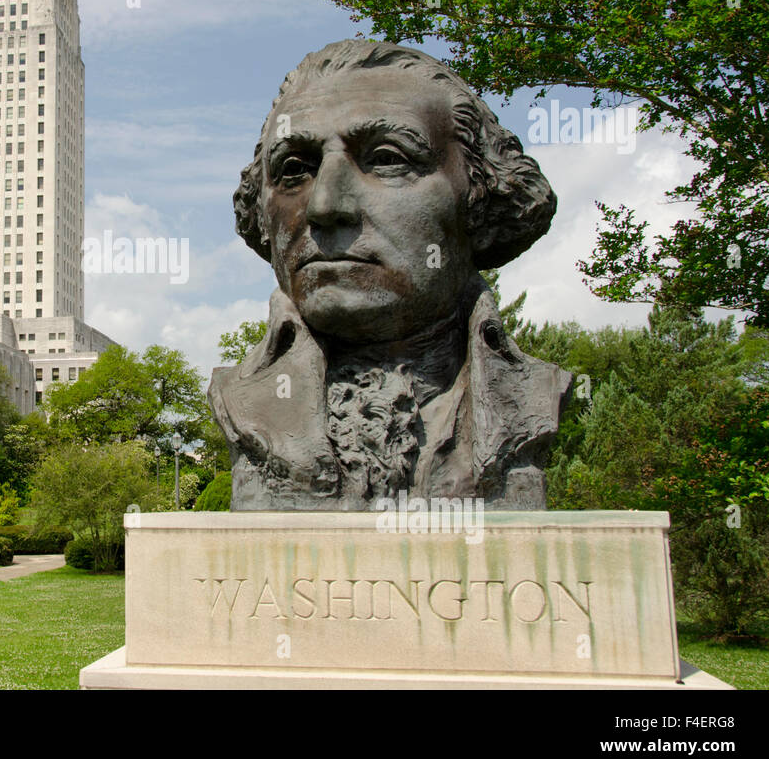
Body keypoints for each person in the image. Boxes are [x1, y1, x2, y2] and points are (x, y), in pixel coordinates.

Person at [209, 40, 572, 510]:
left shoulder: (534, 397)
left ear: (479, 197)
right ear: (261, 213)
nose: (324, 207)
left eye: (386, 158)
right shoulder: (240, 400)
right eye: (295, 170)